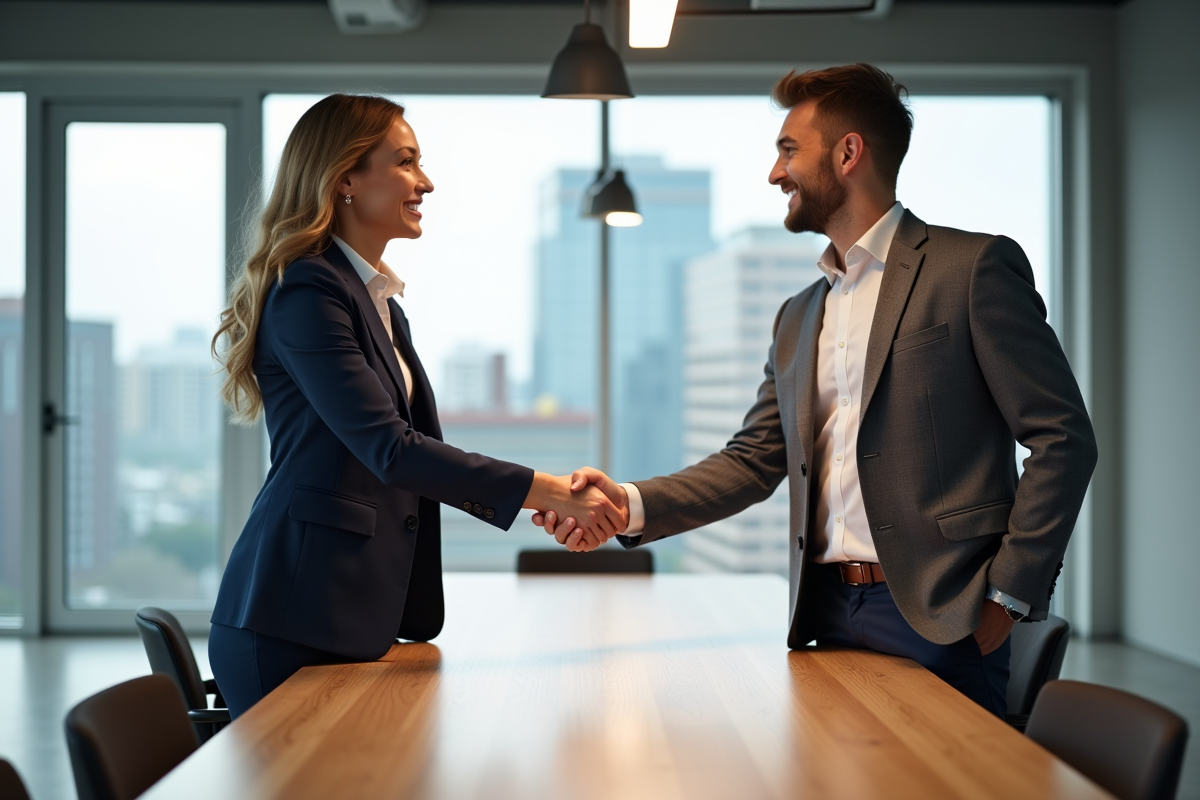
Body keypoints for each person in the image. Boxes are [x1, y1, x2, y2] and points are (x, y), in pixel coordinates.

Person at [536, 63, 1097, 717]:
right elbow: (752, 461)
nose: (776, 174)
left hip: (943, 616)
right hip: (823, 614)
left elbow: (1063, 439)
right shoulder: (799, 315)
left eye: (788, 150)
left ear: (848, 152)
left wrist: (1005, 598)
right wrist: (625, 503)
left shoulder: (971, 270)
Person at [208, 94, 624, 718]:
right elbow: (390, 450)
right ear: (344, 178)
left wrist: (543, 494)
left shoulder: (376, 300)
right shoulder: (308, 289)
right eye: (405, 162)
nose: (424, 182)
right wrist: (552, 493)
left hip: (346, 611)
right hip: (291, 619)